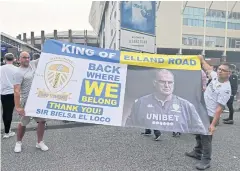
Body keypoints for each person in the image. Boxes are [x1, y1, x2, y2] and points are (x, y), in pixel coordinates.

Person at [125, 69, 206, 134]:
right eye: (162, 82)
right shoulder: (141, 103)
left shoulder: (187, 106)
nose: (167, 86)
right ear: (154, 83)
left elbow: (200, 131)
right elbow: (128, 129)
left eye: (170, 82)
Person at [185, 56, 231, 170]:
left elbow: (219, 109)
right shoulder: (215, 77)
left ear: (229, 73)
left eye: (223, 70)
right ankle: (197, 151)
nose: (219, 71)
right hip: (201, 109)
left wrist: (213, 125)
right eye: (219, 69)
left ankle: (206, 160)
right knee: (198, 132)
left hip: (209, 115)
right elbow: (208, 69)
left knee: (206, 137)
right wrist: (201, 59)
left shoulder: (225, 89)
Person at [13, 51, 48, 153]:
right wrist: (18, 107)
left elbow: (44, 56)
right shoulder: (18, 72)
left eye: (28, 57)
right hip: (26, 101)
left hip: (38, 99)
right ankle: (18, 142)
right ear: (19, 59)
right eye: (24, 58)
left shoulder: (32, 64)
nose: (27, 59)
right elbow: (16, 90)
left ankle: (40, 142)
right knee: (23, 123)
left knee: (42, 121)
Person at [0, 53, 18, 138]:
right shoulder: (17, 69)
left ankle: (7, 130)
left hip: (3, 93)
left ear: (5, 59)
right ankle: (8, 132)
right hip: (13, 92)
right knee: (11, 112)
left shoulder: (1, 69)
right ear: (14, 59)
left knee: (5, 112)